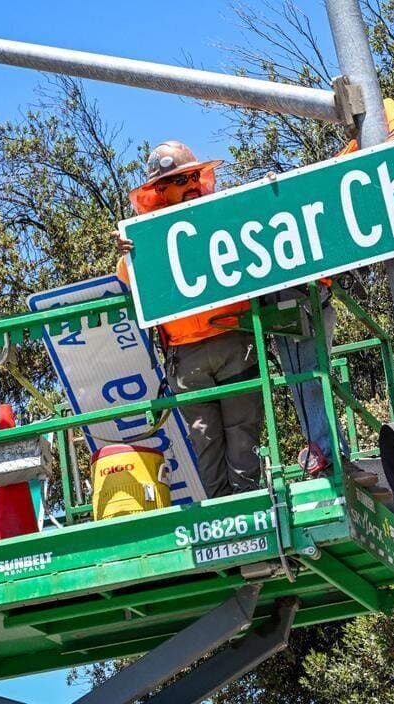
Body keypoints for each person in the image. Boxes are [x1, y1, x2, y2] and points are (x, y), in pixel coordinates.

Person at [114, 141, 263, 499]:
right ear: (159, 190)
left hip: (234, 343)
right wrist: (126, 255)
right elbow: (128, 279)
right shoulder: (144, 237)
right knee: (206, 446)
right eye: (182, 180)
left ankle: (250, 516)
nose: (193, 184)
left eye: (195, 176)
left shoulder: (221, 218)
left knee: (244, 440)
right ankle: (226, 523)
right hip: (187, 359)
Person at [276, 98, 394, 480]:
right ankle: (328, 456)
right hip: (294, 292)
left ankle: (332, 454)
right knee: (309, 376)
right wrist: (393, 134)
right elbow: (386, 110)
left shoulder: (367, 165)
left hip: (317, 293)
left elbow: (388, 112)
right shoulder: (348, 167)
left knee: (316, 374)